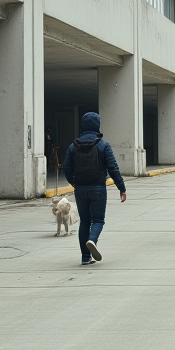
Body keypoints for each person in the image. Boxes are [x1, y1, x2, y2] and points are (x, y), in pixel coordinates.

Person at [63, 111, 127, 266]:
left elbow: (66, 167)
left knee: (84, 221)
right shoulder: (103, 145)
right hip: (98, 188)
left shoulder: (73, 146)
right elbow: (113, 168)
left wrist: (74, 182)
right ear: (97, 126)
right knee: (98, 220)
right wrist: (121, 188)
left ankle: (85, 257)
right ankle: (92, 240)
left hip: (80, 189)